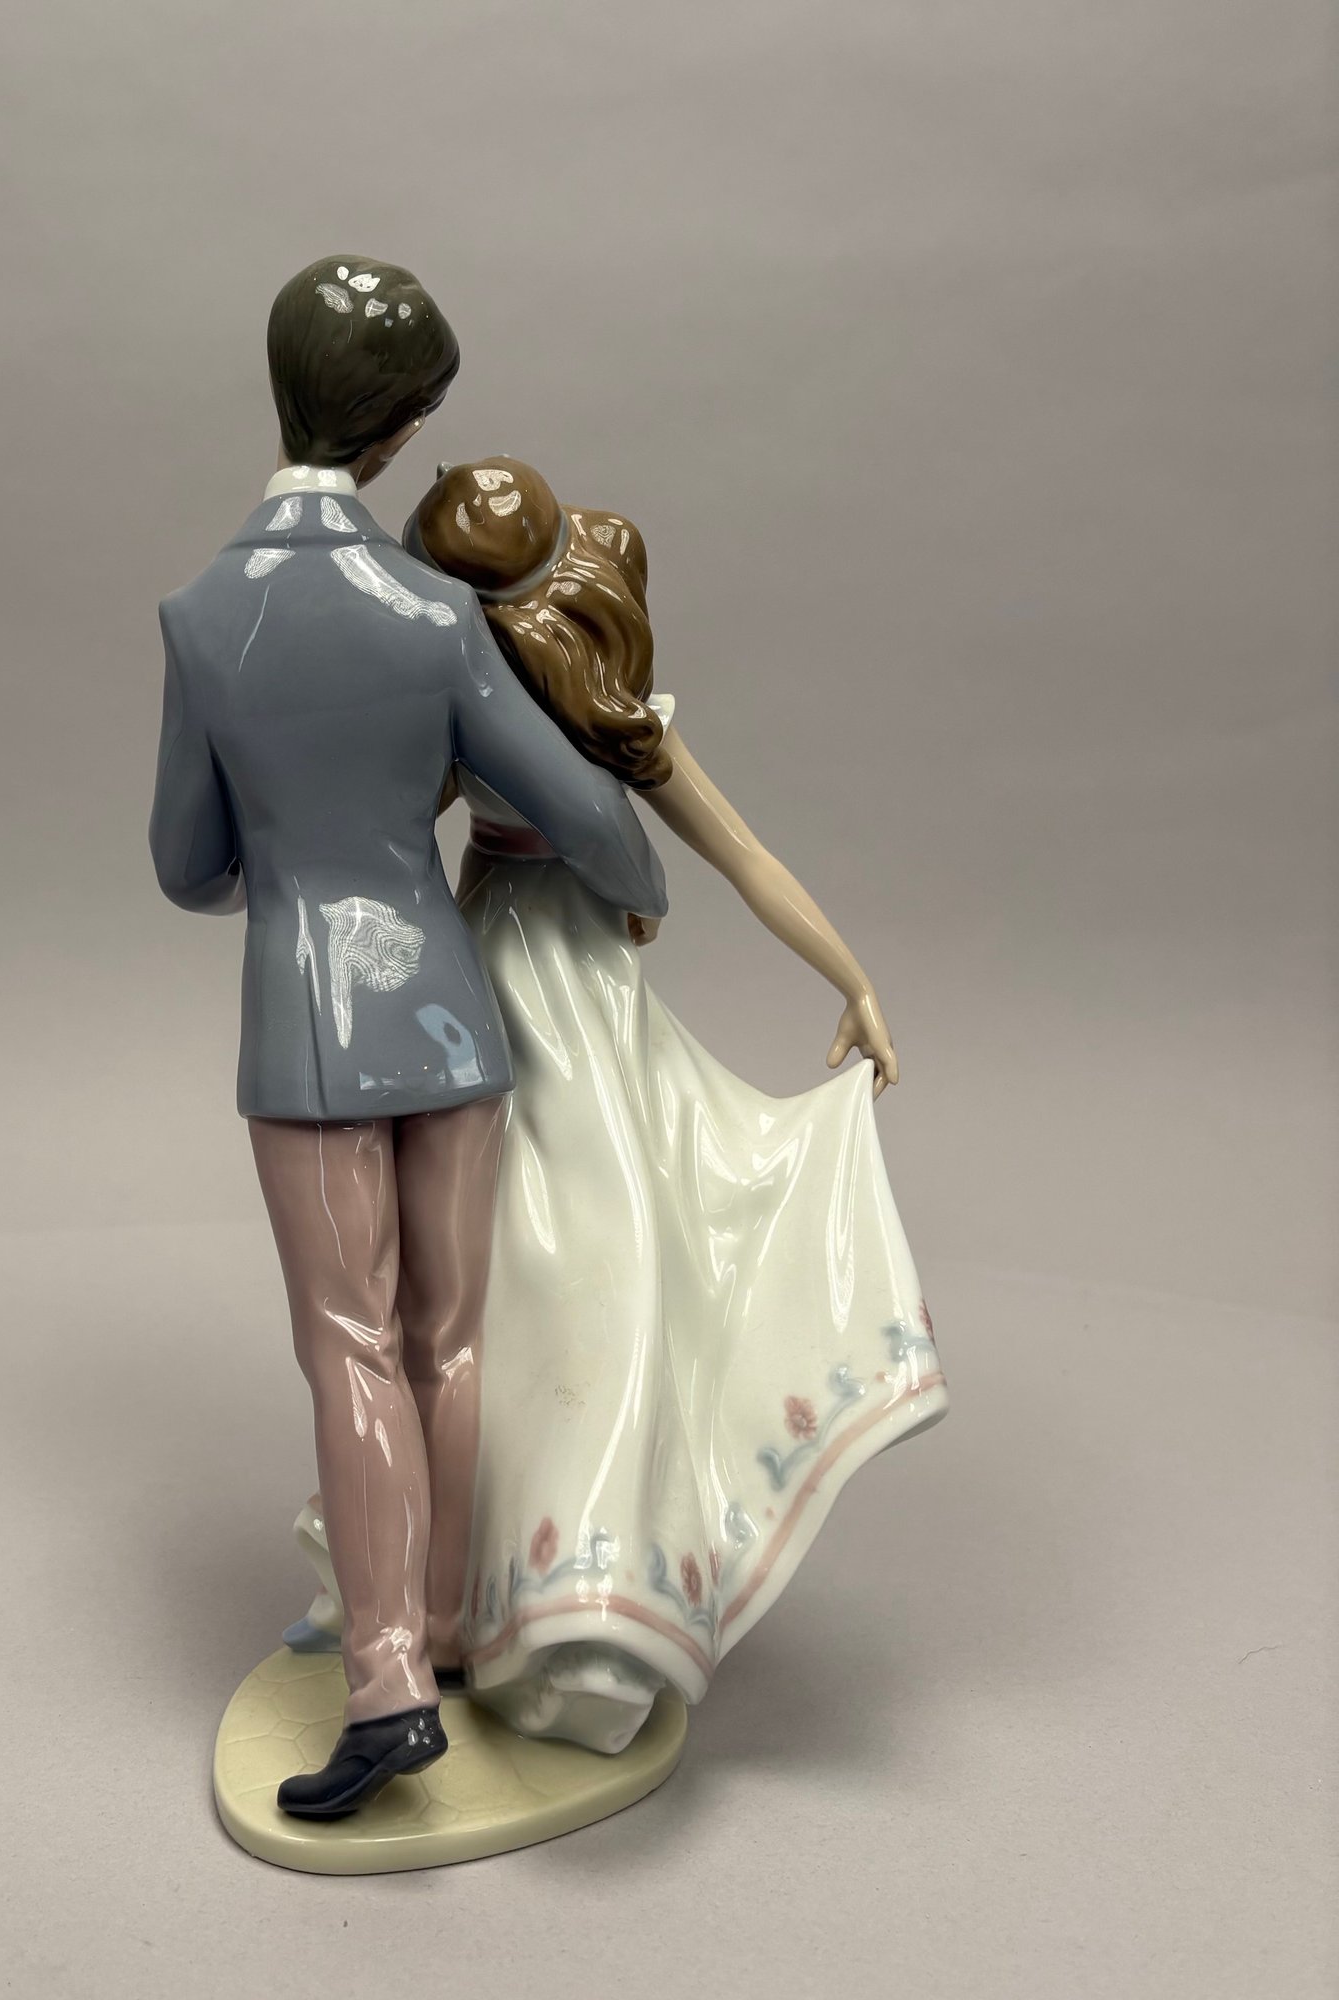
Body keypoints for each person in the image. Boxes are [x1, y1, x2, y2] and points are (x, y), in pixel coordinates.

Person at [291, 455, 948, 1755]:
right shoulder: (548, 710)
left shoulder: (477, 706)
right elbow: (741, 855)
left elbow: (382, 836)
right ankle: (502, 1596)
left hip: (507, 978)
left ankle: (526, 1599)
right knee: (552, 1285)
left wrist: (854, 977)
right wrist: (854, 978)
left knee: (536, 1287)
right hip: (536, 986)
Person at [150, 273, 666, 1817]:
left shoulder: (206, 616)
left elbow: (185, 864)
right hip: (447, 1012)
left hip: (306, 1023)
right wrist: (637, 885)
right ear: (399, 427)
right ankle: (443, 1630)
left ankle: (386, 1687)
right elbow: (586, 817)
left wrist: (284, 854)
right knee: (450, 1336)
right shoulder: (436, 613)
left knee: (350, 1344)